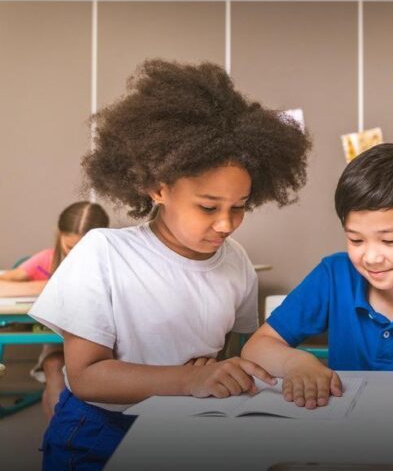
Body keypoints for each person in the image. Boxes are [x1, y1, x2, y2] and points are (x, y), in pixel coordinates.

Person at [29, 59, 311, 470]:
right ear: (157, 188)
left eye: (240, 207)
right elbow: (87, 376)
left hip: (188, 426)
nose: (225, 223)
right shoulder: (103, 252)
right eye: (208, 206)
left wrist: (217, 372)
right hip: (100, 431)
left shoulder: (236, 263)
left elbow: (229, 352)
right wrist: (187, 380)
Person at [242, 143, 393, 409]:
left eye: (389, 241)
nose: (370, 257)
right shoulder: (334, 275)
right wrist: (297, 362)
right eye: (356, 240)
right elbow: (257, 347)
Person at [0, 201, 109, 418]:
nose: (76, 254)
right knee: (54, 365)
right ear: (59, 235)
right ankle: (59, 441)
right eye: (70, 247)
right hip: (61, 343)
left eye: (84, 247)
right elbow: (6, 282)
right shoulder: (46, 259)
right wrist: (46, 285)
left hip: (105, 346)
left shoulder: (112, 262)